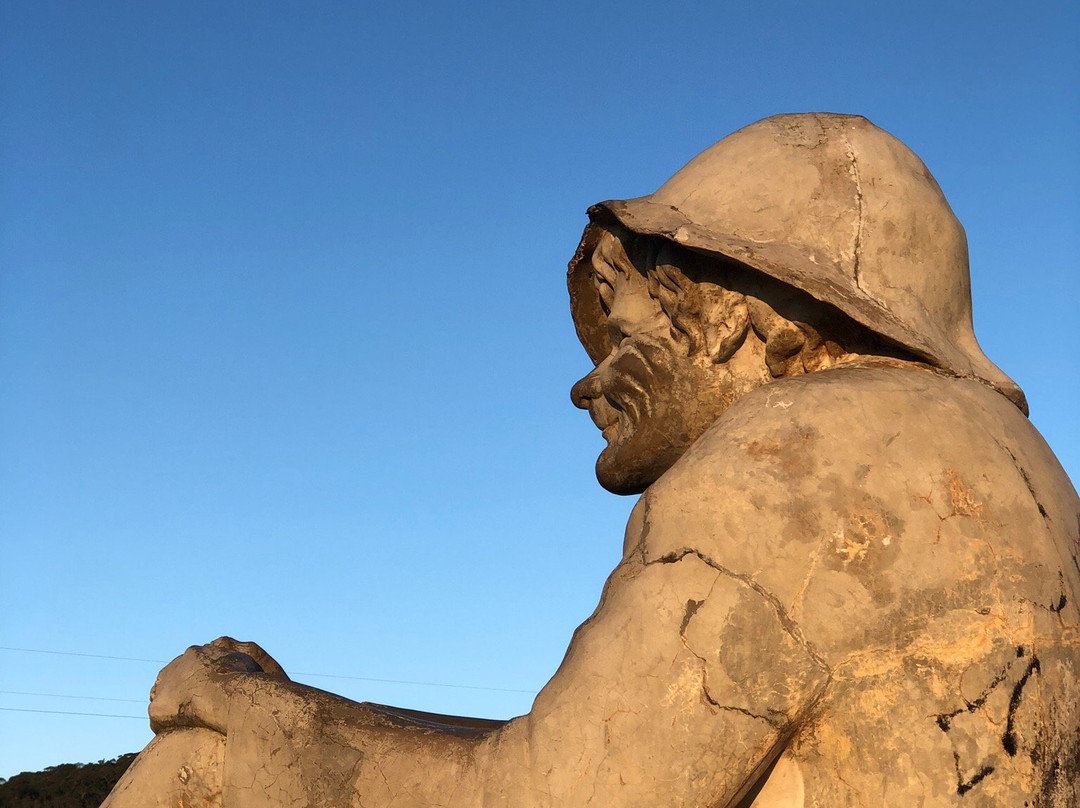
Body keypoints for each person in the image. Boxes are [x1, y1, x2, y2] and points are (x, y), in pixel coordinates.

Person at [103, 113, 1079, 808]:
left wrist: (257, 713)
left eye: (621, 330)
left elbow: (553, 792)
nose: (591, 382)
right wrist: (324, 711)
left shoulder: (784, 462)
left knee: (203, 774)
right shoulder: (1022, 475)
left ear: (732, 312)